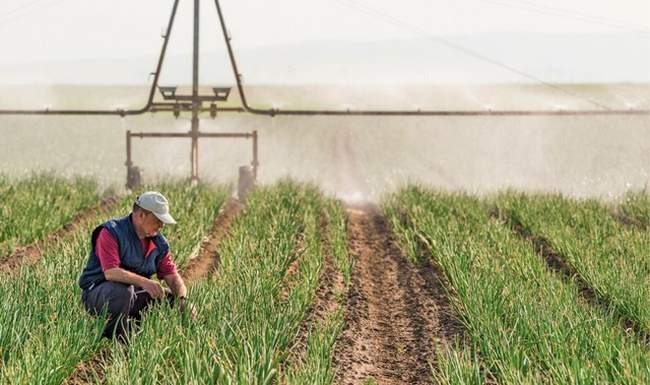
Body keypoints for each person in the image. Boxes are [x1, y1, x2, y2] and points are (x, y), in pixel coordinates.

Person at [78, 191, 191, 340]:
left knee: (170, 299)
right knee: (124, 292)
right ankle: (117, 339)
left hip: (133, 295)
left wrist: (182, 300)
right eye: (158, 220)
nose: (162, 225)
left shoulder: (159, 243)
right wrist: (145, 282)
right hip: (99, 294)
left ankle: (140, 332)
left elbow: (172, 276)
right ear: (141, 215)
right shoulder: (111, 232)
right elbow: (111, 272)